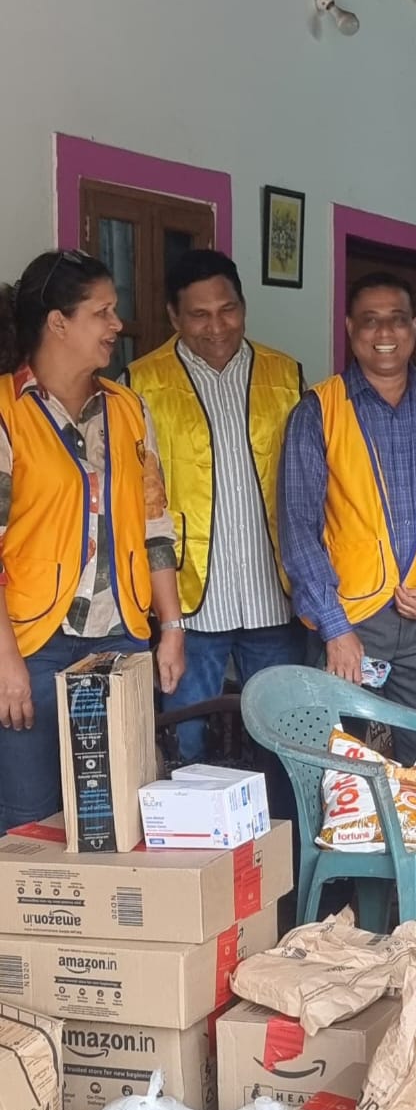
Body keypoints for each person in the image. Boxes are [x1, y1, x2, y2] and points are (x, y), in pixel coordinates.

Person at [278, 271, 416, 806]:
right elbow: (299, 529)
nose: (384, 332)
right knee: (346, 767)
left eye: (397, 318)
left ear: (414, 326)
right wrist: (335, 629)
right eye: (370, 320)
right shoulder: (319, 410)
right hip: (350, 623)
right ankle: (350, 888)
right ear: (350, 328)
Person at [0, 249, 185, 831]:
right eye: (102, 312)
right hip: (33, 642)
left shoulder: (129, 410)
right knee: (32, 820)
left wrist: (170, 626)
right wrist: (5, 661)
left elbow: (154, 522)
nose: (117, 325)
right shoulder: (7, 412)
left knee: (118, 816)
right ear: (58, 323)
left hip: (119, 637)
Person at [124, 250, 303, 762]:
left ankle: (280, 842)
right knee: (186, 743)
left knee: (286, 740)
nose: (216, 326)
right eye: (199, 315)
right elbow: (137, 500)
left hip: (276, 596)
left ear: (244, 307)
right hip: (188, 600)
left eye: (227, 310)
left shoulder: (285, 375)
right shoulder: (140, 384)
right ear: (173, 317)